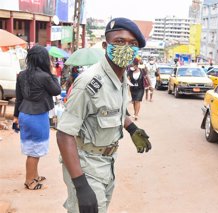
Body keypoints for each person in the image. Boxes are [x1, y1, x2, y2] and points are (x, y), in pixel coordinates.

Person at [56, 17, 152, 213]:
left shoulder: (120, 77)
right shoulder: (89, 83)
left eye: (132, 44)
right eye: (119, 41)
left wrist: (131, 127)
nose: (126, 47)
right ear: (105, 45)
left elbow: (112, 110)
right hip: (86, 165)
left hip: (107, 163)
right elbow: (64, 133)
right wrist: (81, 185)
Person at [13, 45, 61, 190]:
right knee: (35, 151)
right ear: (43, 60)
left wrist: (16, 117)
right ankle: (29, 181)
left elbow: (18, 99)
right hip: (37, 116)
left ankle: (35, 175)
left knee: (32, 148)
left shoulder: (21, 75)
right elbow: (56, 90)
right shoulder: (45, 76)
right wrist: (51, 72)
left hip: (24, 115)